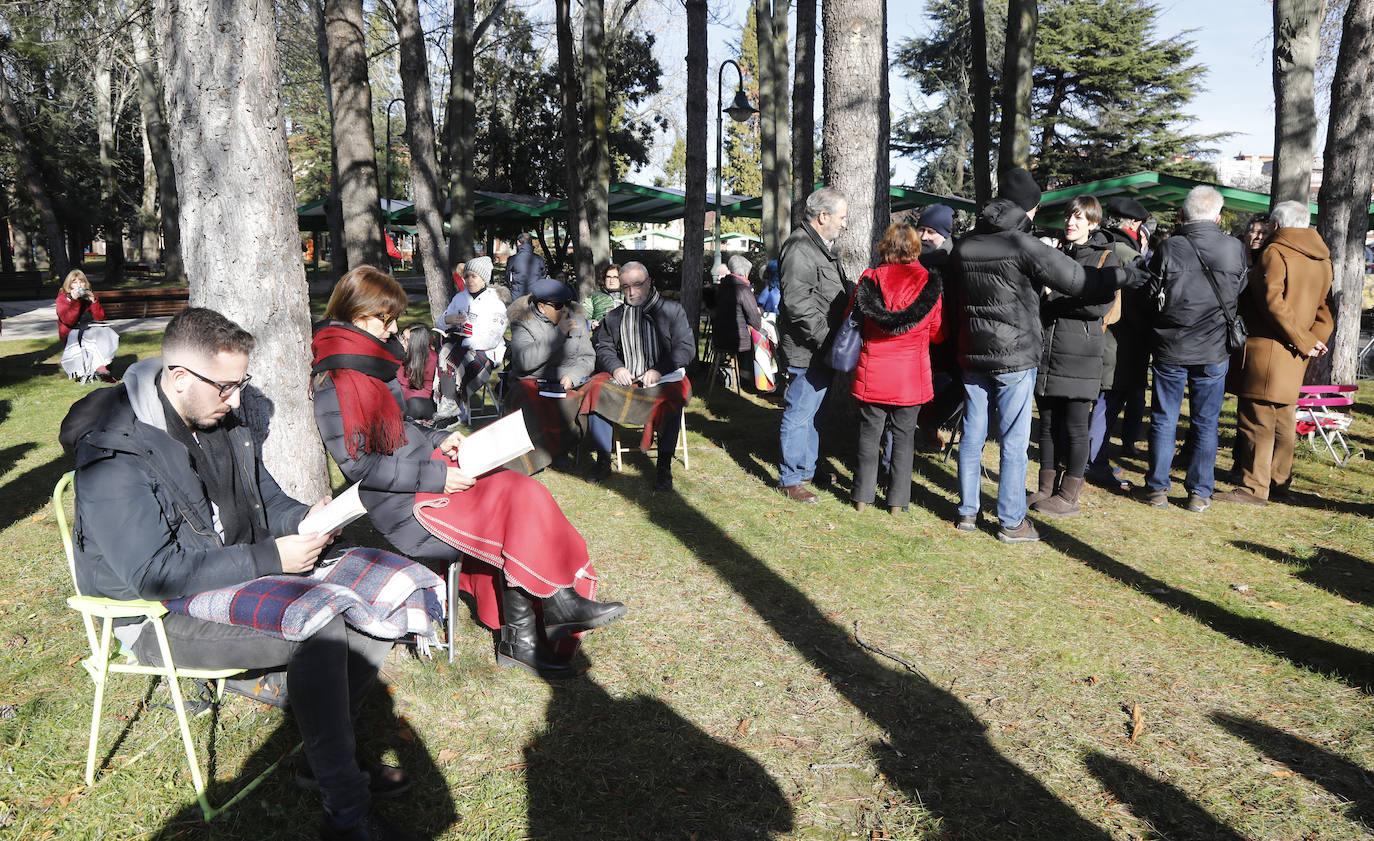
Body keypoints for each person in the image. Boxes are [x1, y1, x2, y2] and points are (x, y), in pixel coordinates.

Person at [63, 307, 424, 841]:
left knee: (386, 590)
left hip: (233, 581)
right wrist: (271, 559)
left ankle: (324, 753)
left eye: (240, 384)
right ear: (180, 376)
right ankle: (346, 815)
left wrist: (307, 518)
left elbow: (267, 501)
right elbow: (154, 575)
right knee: (321, 624)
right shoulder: (116, 452)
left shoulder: (218, 419)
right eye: (226, 388)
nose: (237, 400)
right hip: (155, 617)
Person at [311, 266, 627, 678]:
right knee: (512, 504)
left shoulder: (367, 361)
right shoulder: (338, 377)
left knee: (522, 488)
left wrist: (438, 441)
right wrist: (437, 476)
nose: (392, 330)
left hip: (421, 475)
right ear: (355, 314)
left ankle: (553, 604)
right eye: (384, 320)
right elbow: (362, 466)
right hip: (404, 505)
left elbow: (398, 427)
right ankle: (533, 626)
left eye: (393, 320)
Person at [952, 167, 1135, 542]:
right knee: (1015, 442)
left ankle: (967, 512)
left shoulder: (965, 244)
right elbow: (1079, 281)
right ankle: (1011, 521)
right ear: (1029, 208)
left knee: (972, 435)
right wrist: (1123, 276)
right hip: (1014, 355)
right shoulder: (1024, 245)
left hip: (971, 351)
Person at [1215, 201, 1332, 505]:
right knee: (1283, 420)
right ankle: (1279, 482)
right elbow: (1326, 310)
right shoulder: (1322, 258)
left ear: (1277, 226)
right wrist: (1312, 341)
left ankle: (1252, 488)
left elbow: (1272, 302)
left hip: (1267, 350)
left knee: (1258, 419)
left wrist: (1303, 339)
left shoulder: (1274, 252)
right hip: (1296, 353)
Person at [1140, 185, 1248, 512]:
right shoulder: (1234, 248)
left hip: (1171, 345)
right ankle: (1199, 492)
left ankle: (1157, 488)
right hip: (1214, 349)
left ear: (1183, 215)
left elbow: (1151, 292)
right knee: (1206, 422)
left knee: (1164, 418)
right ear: (1217, 216)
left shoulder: (1170, 247)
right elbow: (1241, 287)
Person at [1028, 196, 1119, 517]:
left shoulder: (1106, 258)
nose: (1071, 223)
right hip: (1048, 351)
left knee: (1077, 427)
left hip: (1080, 354)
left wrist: (1055, 297)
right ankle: (1046, 488)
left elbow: (1099, 306)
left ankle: (1068, 496)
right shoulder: (1055, 253)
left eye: (1079, 218)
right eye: (1069, 216)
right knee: (1048, 424)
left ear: (1093, 223)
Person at [849, 223, 943, 514]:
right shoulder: (929, 283)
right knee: (904, 439)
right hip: (910, 376)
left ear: (885, 247)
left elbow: (853, 321)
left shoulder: (870, 279)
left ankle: (862, 497)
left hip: (873, 370)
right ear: (915, 248)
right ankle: (897, 502)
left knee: (868, 436)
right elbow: (937, 332)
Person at [588, 261, 694, 491]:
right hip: (629, 380)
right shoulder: (615, 316)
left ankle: (664, 467)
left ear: (649, 283)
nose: (631, 291)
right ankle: (603, 460)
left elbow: (685, 348)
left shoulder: (672, 310)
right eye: (625, 286)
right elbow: (603, 346)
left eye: (637, 284)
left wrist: (658, 370)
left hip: (663, 378)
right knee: (594, 391)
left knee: (674, 396)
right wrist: (616, 367)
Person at [777, 186, 850, 504]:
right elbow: (798, 304)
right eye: (842, 217)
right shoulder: (800, 248)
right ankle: (790, 478)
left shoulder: (818, 246)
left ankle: (808, 468)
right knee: (799, 412)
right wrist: (828, 340)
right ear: (823, 217)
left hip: (820, 348)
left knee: (814, 413)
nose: (844, 223)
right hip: (808, 349)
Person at [506, 279, 597, 473]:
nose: (565, 309)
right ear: (541, 306)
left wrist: (573, 376)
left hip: (567, 382)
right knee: (530, 397)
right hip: (534, 380)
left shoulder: (578, 320)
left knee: (592, 391)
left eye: (568, 303)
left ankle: (564, 448)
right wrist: (558, 334)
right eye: (558, 306)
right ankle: (540, 454)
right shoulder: (523, 323)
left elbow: (588, 357)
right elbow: (524, 362)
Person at [436, 255, 509, 422]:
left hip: (486, 353)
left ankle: (453, 404)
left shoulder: (495, 302)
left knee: (451, 357)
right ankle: (449, 403)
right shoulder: (459, 298)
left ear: (484, 278)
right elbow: (441, 324)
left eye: (473, 276)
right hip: (458, 347)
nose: (469, 280)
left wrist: (465, 342)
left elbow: (492, 338)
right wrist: (448, 320)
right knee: (444, 355)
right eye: (466, 276)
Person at [913, 204, 962, 448]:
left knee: (959, 384)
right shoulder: (912, 261)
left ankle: (930, 424)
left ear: (945, 234)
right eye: (921, 229)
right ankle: (926, 426)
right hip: (919, 336)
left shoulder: (957, 260)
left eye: (931, 231)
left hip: (951, 337)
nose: (924, 237)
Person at [56, 269, 119, 382]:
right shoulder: (63, 298)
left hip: (89, 328)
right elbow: (69, 321)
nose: (79, 285)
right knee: (92, 336)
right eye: (74, 282)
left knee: (107, 332)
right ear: (69, 285)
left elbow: (100, 318)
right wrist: (74, 301)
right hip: (71, 331)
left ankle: (102, 368)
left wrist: (93, 301)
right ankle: (100, 368)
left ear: (86, 284)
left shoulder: (88, 297)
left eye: (81, 282)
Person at [712, 254, 764, 389]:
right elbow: (756, 323)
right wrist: (760, 312)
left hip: (718, 337)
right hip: (736, 340)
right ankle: (756, 381)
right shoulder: (743, 290)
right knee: (762, 337)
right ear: (746, 273)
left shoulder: (721, 287)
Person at [396, 323, 439, 421]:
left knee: (414, 404)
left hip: (421, 401)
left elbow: (424, 392)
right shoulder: (401, 352)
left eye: (406, 340)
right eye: (402, 337)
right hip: (401, 396)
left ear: (416, 344)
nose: (402, 342)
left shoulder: (430, 358)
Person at [505, 232, 546, 301]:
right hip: (535, 296)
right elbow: (543, 276)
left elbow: (508, 278)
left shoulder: (512, 260)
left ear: (518, 242)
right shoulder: (539, 259)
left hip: (517, 297)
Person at [583, 263, 623, 329]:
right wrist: (592, 323)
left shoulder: (627, 294)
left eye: (615, 277)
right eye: (608, 277)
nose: (611, 280)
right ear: (604, 279)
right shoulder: (593, 295)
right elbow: (583, 315)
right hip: (601, 331)